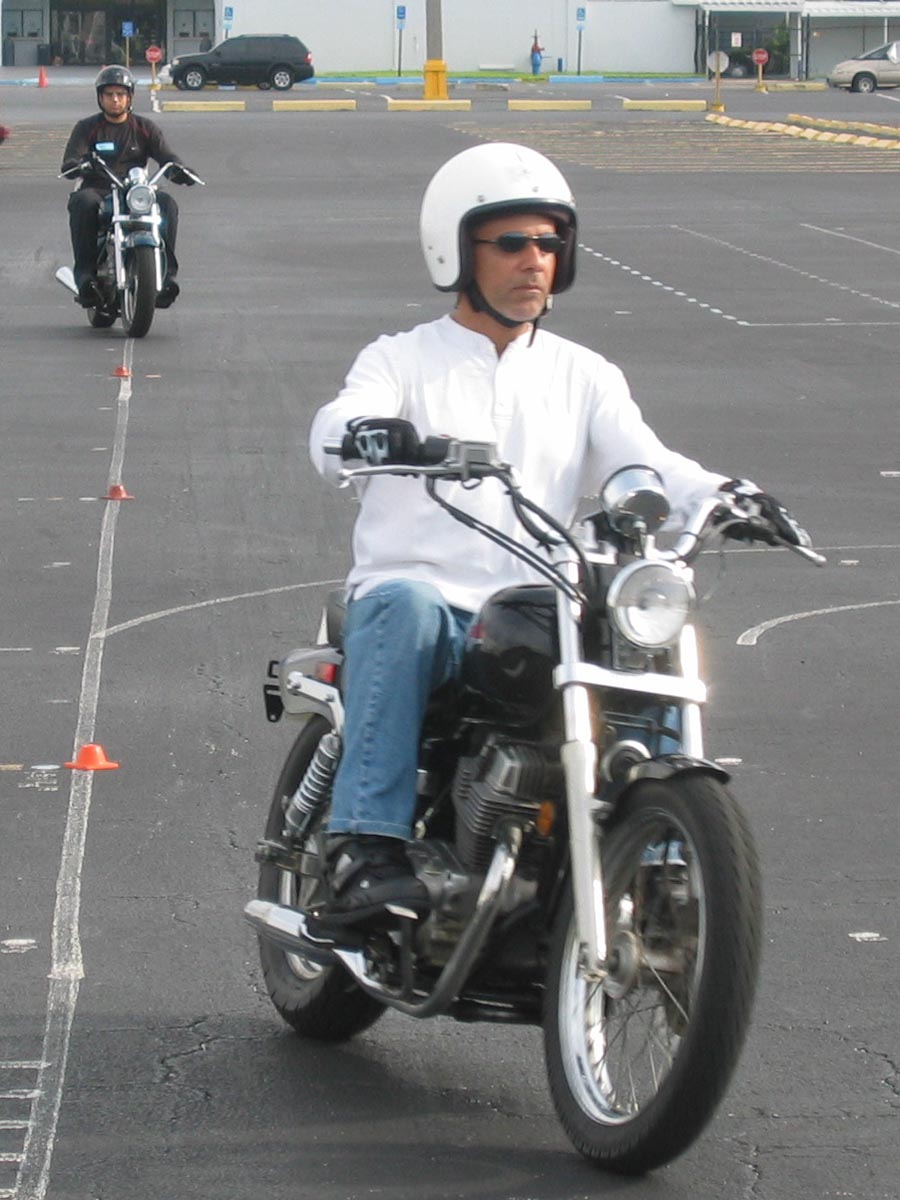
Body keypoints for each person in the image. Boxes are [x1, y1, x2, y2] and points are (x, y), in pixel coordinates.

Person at [308, 141, 810, 929]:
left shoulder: (586, 375)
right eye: (511, 242)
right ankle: (364, 846)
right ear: (457, 249)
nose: (533, 260)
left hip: (536, 607)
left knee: (640, 639)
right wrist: (368, 433)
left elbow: (646, 462)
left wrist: (725, 495)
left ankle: (659, 858)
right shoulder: (401, 360)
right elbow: (335, 425)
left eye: (549, 243)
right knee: (405, 605)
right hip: (425, 599)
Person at [60, 66, 197, 309]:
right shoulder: (87, 127)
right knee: (84, 203)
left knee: (167, 204)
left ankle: (166, 276)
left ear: (129, 96)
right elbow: (70, 161)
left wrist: (181, 170)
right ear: (100, 97)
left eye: (120, 94)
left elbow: (167, 156)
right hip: (99, 189)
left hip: (134, 191)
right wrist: (79, 165)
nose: (115, 100)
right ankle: (85, 276)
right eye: (109, 94)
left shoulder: (144, 128)